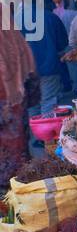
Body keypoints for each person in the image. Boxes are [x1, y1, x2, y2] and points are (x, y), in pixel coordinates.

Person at [0, 25, 38, 189]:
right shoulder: (15, 38)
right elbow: (31, 73)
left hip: (8, 108)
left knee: (11, 161)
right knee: (19, 155)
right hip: (16, 107)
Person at [28, 0, 69, 113]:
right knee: (49, 103)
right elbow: (63, 43)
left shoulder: (16, 19)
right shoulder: (51, 17)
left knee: (32, 107)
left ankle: (34, 131)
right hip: (49, 68)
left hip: (27, 71)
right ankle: (47, 131)